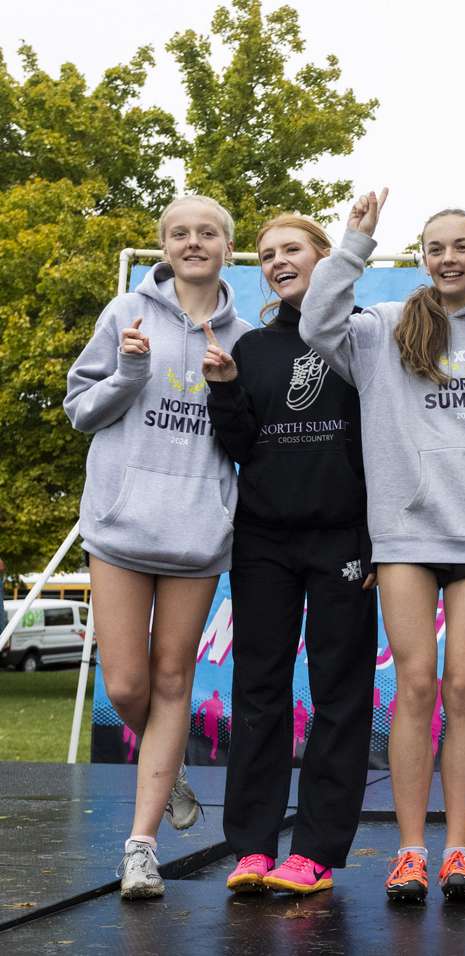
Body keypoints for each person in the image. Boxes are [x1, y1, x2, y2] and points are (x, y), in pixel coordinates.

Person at [300, 193, 465, 903]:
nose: (450, 258)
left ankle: (457, 849)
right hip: (403, 535)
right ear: (423, 257)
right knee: (417, 683)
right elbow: (315, 323)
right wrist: (355, 242)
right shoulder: (387, 325)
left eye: (464, 246)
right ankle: (409, 851)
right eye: (437, 247)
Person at [64, 195, 250, 899]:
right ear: (164, 246)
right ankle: (168, 775)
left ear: (226, 247)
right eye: (180, 233)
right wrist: (129, 374)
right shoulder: (124, 315)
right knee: (126, 686)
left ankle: (140, 848)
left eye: (207, 233)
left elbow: (246, 439)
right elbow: (81, 411)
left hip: (197, 533)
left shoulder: (244, 335)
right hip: (121, 526)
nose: (194, 242)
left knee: (174, 682)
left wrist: (229, 388)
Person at [203, 214, 377, 896]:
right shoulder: (250, 346)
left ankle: (316, 852)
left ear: (323, 257)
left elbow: (386, 439)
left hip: (344, 538)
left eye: (292, 249)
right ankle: (251, 846)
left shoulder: (362, 334)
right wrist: (222, 387)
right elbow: (242, 446)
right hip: (265, 542)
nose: (278, 261)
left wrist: (374, 546)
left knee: (339, 694)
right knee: (259, 691)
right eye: (268, 254)